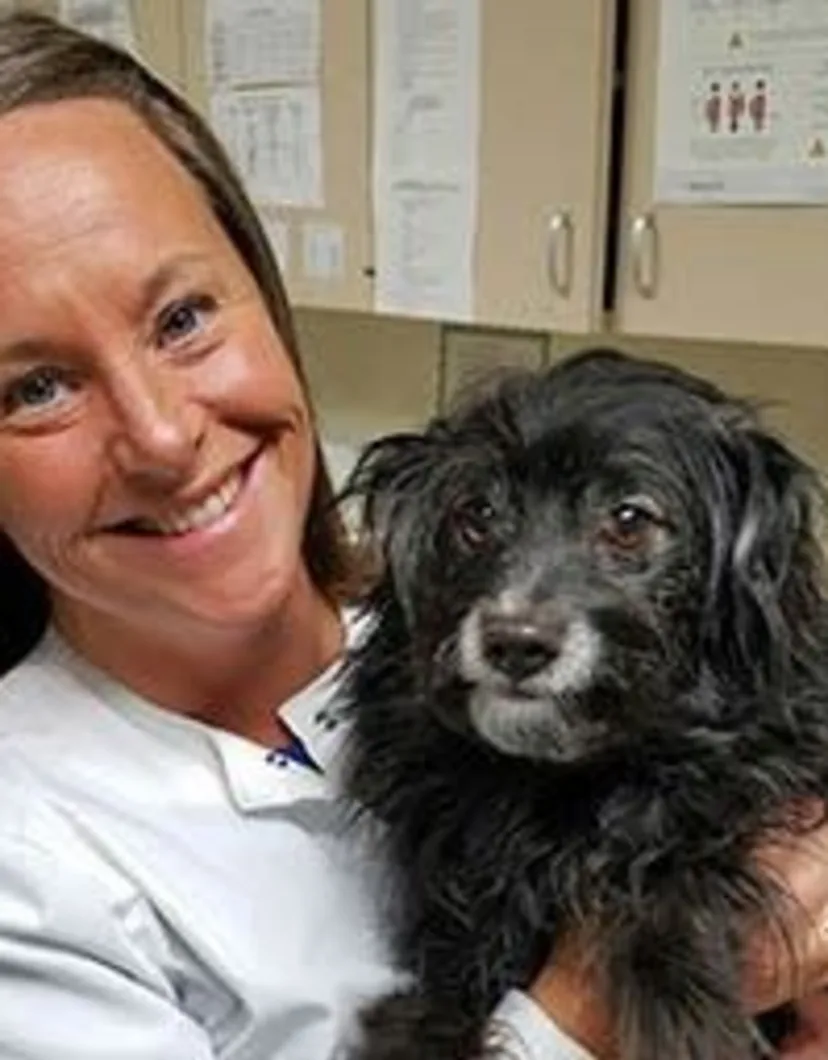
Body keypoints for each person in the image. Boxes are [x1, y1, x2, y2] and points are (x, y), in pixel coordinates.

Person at [0, 12, 824, 1059]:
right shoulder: (23, 864)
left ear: (263, 288)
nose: (162, 437)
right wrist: (587, 1012)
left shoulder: (417, 641)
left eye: (181, 319)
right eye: (34, 387)